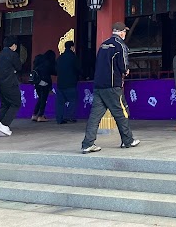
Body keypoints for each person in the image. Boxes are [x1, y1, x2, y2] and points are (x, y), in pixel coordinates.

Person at [81, 23, 139, 154]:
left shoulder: (103, 45)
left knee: (95, 116)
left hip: (99, 85)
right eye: (125, 31)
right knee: (120, 112)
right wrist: (126, 71)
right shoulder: (120, 45)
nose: (125, 34)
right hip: (113, 85)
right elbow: (124, 65)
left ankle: (87, 144)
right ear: (121, 32)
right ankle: (128, 140)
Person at [0, 36, 22, 136]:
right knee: (16, 103)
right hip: (10, 83)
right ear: (13, 45)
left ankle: (2, 129)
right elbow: (19, 67)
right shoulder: (13, 54)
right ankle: (4, 124)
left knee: (5, 104)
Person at [56, 40, 81, 124]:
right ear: (72, 47)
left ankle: (59, 119)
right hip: (70, 83)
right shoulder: (73, 57)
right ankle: (70, 117)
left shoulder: (60, 58)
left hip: (60, 83)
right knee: (72, 100)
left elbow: (56, 70)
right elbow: (78, 69)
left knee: (60, 103)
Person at [31, 50, 56, 122]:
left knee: (40, 99)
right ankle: (40, 116)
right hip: (44, 82)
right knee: (43, 99)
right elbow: (53, 72)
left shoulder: (38, 60)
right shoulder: (48, 62)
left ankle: (34, 115)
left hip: (37, 82)